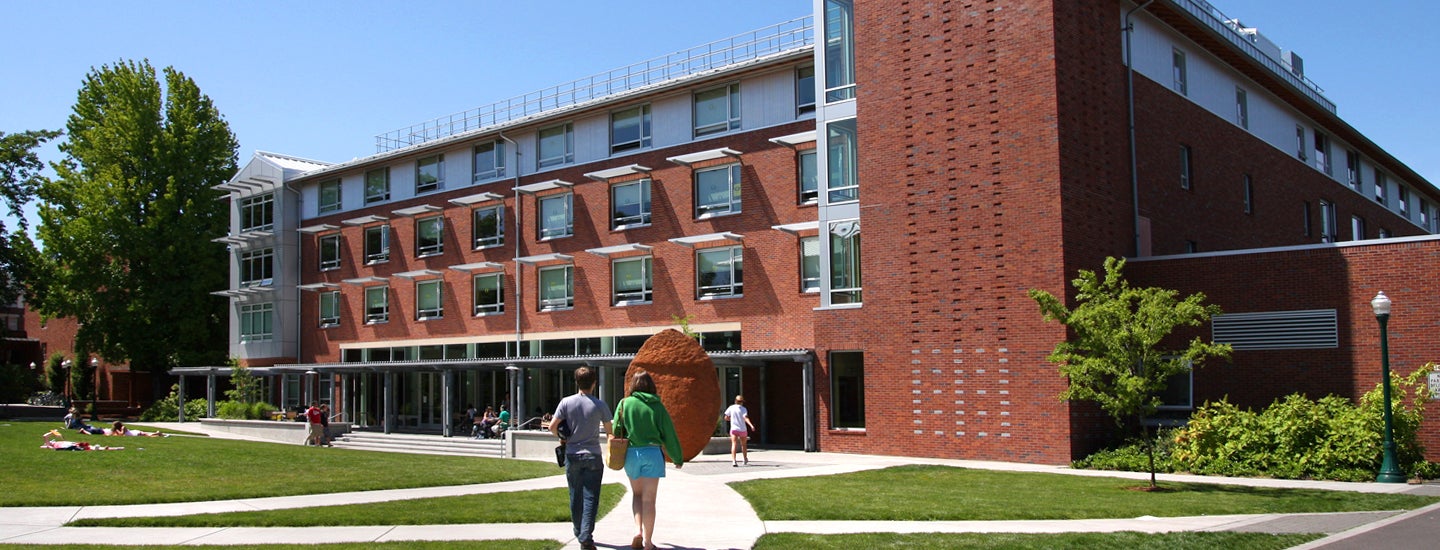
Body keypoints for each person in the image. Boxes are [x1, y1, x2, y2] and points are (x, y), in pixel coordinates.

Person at [613, 371, 683, 550]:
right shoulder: (658, 407)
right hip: (653, 453)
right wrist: (677, 457)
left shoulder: (624, 404)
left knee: (636, 495)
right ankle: (649, 542)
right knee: (649, 499)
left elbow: (616, 428)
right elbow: (669, 434)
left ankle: (637, 530)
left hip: (632, 454)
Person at [550, 367, 612, 550]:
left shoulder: (566, 402)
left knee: (575, 494)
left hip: (572, 454)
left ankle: (579, 531)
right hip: (593, 454)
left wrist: (563, 438)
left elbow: (552, 426)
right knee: (591, 496)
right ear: (594, 383)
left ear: (576, 382)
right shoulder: (600, 405)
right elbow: (610, 432)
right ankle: (585, 536)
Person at [723, 395, 757, 467]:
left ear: (735, 401)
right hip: (742, 429)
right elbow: (746, 418)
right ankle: (744, 459)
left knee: (734, 444)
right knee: (743, 445)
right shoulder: (743, 409)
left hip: (734, 429)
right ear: (741, 402)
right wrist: (751, 425)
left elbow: (726, 417)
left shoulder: (731, 408)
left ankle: (734, 461)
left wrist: (731, 419)